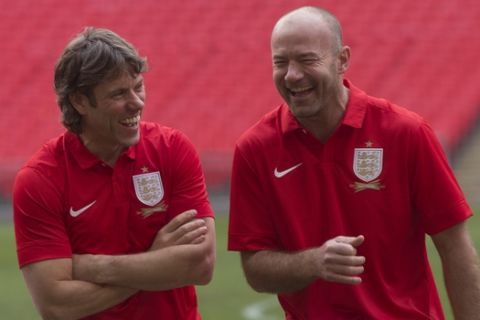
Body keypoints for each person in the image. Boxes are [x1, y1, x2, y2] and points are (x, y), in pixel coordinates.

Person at [228, 6, 480, 319]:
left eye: (307, 59)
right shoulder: (255, 149)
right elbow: (255, 270)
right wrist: (314, 262)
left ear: (342, 60)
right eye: (281, 62)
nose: (292, 74)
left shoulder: (406, 132)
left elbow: (454, 246)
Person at [13, 27, 215, 320]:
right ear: (80, 102)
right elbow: (57, 306)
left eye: (138, 86)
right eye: (119, 93)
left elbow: (201, 265)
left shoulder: (172, 149)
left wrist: (93, 267)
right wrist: (155, 262)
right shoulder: (39, 180)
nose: (137, 102)